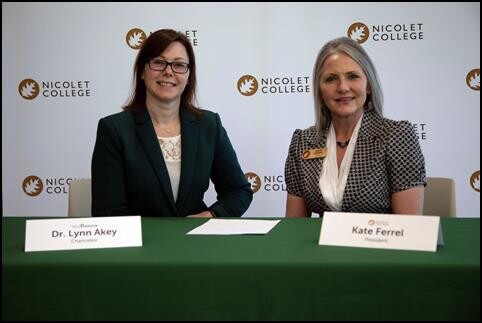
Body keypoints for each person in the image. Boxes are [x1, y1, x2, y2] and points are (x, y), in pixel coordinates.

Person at [91, 29, 252, 217]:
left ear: (188, 76)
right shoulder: (114, 130)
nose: (168, 71)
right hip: (141, 243)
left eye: (179, 65)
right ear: (142, 71)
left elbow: (238, 191)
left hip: (194, 242)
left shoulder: (209, 125)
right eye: (159, 63)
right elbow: (108, 212)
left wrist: (211, 216)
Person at [284, 37, 426, 217]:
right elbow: (295, 227)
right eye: (331, 79)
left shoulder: (397, 136)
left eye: (353, 76)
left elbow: (409, 228)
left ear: (368, 86)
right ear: (320, 90)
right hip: (319, 245)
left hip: (380, 244)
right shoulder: (303, 142)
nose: (343, 87)